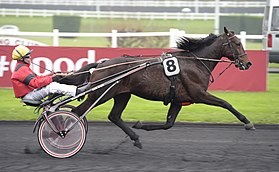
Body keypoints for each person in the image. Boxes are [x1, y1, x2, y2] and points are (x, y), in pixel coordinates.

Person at [11, 45, 87, 105]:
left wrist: (52, 75)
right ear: (21, 59)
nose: (30, 57)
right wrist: (52, 79)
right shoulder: (21, 69)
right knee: (52, 86)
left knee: (53, 82)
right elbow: (36, 83)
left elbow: (37, 78)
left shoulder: (23, 67)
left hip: (31, 93)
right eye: (27, 56)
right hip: (30, 96)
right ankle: (77, 91)